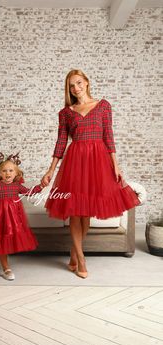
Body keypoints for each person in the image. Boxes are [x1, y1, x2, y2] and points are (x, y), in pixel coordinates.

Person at [41, 69, 140, 279]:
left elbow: (109, 136)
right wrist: (50, 170)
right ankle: (81, 258)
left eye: (78, 83)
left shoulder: (103, 106)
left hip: (98, 163)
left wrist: (116, 165)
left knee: (86, 215)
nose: (75, 88)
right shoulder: (66, 113)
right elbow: (61, 143)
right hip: (75, 163)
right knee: (76, 213)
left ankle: (73, 252)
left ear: (86, 82)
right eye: (71, 86)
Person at [0, 152, 43, 281]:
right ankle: (6, 268)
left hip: (13, 218)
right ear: (0, 172)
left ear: (16, 173)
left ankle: (6, 263)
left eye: (11, 170)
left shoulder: (16, 186)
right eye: (4, 171)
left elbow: (29, 192)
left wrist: (41, 186)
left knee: (10, 238)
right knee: (0, 240)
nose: (7, 173)